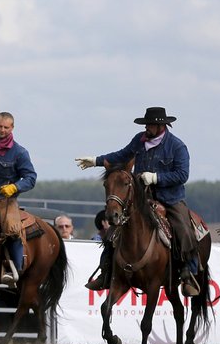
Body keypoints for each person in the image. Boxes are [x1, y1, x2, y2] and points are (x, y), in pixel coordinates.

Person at [76, 107, 200, 297]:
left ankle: (188, 272)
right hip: (141, 198)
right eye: (146, 124)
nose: (147, 128)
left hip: (170, 199)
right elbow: (122, 155)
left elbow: (182, 175)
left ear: (161, 126)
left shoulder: (177, 146)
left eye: (150, 125)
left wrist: (156, 178)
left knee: (184, 229)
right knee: (113, 232)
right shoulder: (139, 140)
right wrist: (97, 160)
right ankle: (106, 272)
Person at [0, 112, 37, 285]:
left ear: (12, 128)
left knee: (12, 229)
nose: (2, 130)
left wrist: (15, 187)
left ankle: (14, 267)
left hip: (5, 199)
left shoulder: (19, 152)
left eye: (6, 127)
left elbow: (30, 177)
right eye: (0, 126)